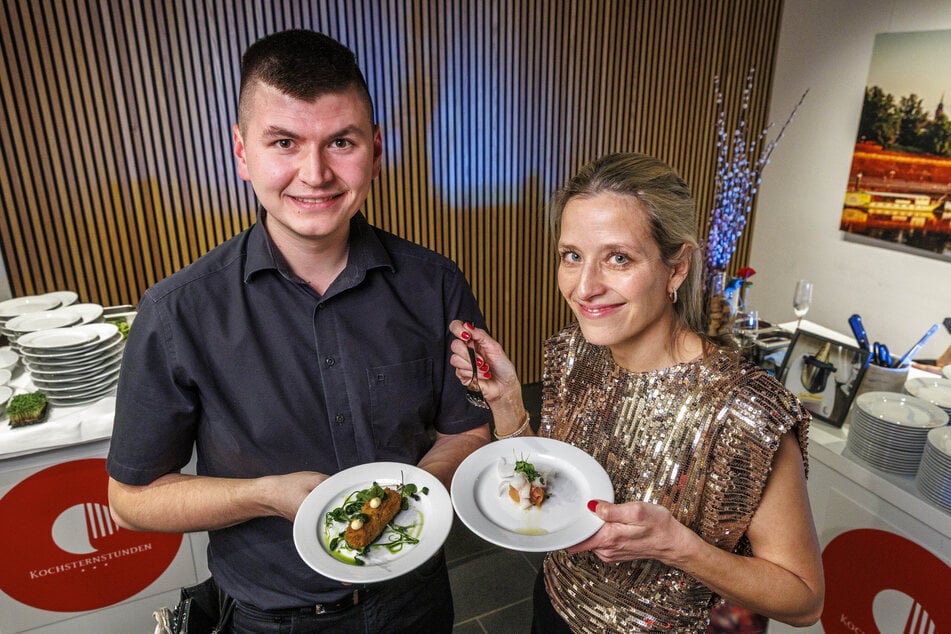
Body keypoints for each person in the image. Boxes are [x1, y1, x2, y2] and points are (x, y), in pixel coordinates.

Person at [106, 29, 491, 633]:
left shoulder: (434, 284)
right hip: (270, 617)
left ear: (376, 150)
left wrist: (395, 495)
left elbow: (469, 432)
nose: (314, 174)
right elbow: (132, 499)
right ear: (241, 153)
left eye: (341, 141)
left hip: (413, 601)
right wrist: (262, 494)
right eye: (283, 142)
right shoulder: (176, 311)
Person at [449, 153, 824, 632]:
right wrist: (506, 402)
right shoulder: (572, 353)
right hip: (553, 606)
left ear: (677, 267)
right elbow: (551, 486)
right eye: (572, 256)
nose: (584, 288)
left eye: (618, 258)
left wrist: (678, 546)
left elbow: (804, 600)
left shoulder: (746, 411)